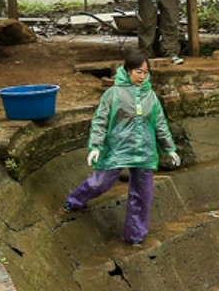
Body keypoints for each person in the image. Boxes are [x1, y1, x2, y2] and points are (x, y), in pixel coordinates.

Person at [62, 48, 180, 247]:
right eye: (138, 72)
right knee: (100, 183)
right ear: (127, 71)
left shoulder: (151, 96)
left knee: (143, 194)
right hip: (117, 148)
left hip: (144, 151)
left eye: (145, 72)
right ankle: (76, 199)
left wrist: (169, 148)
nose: (142, 76)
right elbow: (100, 120)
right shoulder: (113, 94)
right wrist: (96, 146)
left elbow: (160, 124)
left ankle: (135, 235)